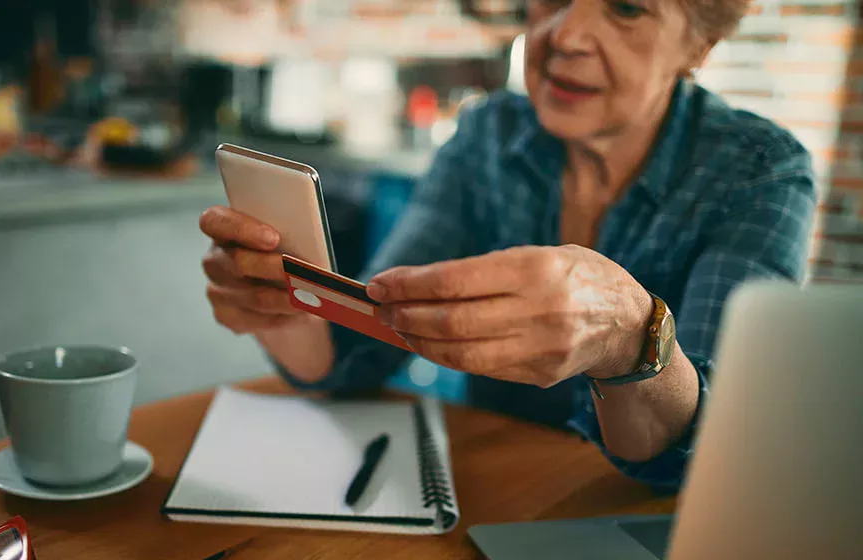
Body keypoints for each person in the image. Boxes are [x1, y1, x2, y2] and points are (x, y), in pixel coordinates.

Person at [199, 0, 817, 490]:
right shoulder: (488, 135)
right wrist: (282, 305)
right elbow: (364, 350)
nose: (564, 36)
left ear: (699, 45)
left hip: (658, 545)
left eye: (627, 7)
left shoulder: (760, 171)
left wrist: (631, 338)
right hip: (493, 499)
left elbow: (714, 451)